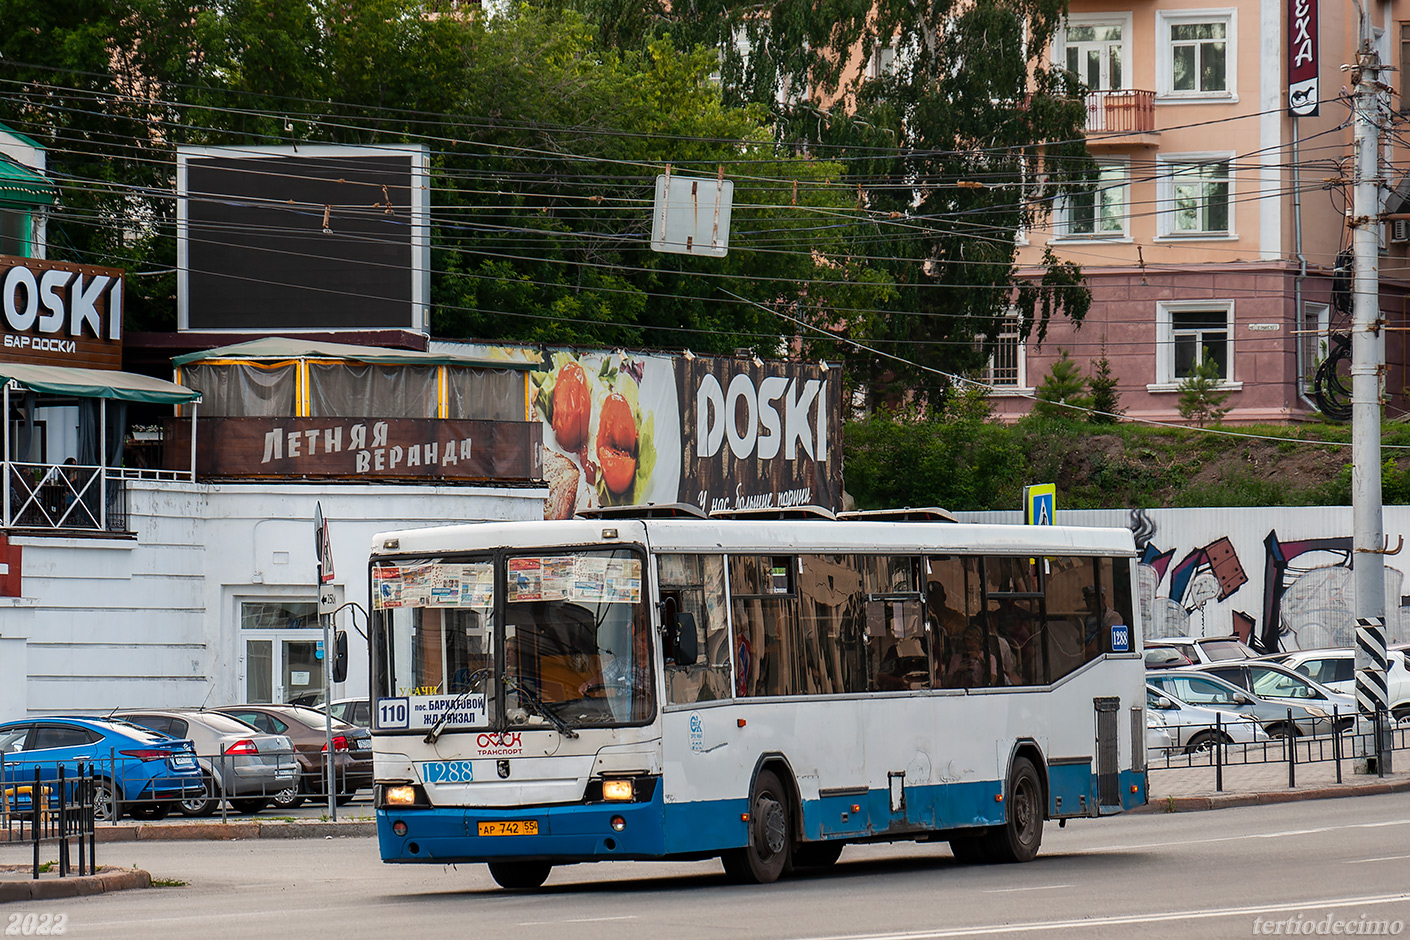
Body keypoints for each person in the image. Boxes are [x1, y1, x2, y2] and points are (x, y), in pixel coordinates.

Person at [1083, 585, 1122, 655]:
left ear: (1103, 598)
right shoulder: (1084, 615)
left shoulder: (1113, 617)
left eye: (1093, 598)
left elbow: (1097, 646)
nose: (1090, 601)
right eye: (1087, 599)